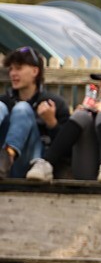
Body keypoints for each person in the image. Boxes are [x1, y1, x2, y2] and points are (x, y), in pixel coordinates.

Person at [0, 47, 70, 180]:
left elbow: (67, 150)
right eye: (11, 69)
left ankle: (8, 155)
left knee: (22, 109)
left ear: (35, 71)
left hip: (33, 168)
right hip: (3, 169)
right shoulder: (4, 101)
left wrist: (51, 123)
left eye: (18, 68)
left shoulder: (54, 103)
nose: (13, 74)